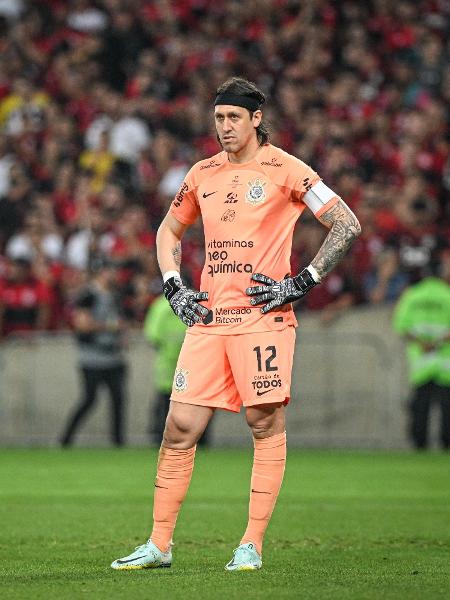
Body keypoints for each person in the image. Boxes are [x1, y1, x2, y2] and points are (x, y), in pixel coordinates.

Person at [111, 77, 361, 571]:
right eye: (218, 118)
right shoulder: (202, 173)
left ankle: (251, 545)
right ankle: (159, 545)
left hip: (263, 320)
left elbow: (346, 222)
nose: (224, 127)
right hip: (209, 321)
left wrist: (302, 281)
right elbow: (168, 229)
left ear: (256, 119)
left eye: (233, 118)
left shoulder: (286, 169)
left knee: (263, 422)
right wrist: (172, 283)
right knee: (179, 427)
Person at [60, 256, 128, 447]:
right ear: (102, 272)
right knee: (89, 399)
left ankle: (118, 443)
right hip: (92, 357)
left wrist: (122, 334)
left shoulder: (115, 295)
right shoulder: (87, 295)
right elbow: (82, 325)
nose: (114, 274)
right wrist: (112, 326)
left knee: (118, 399)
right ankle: (66, 439)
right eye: (111, 270)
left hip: (113, 356)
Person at [393, 253, 450, 450]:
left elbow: (401, 325)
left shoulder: (412, 295)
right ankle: (446, 444)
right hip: (444, 361)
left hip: (421, 361)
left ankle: (419, 444)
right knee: (446, 407)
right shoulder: (447, 294)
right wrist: (438, 342)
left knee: (420, 406)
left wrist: (422, 343)